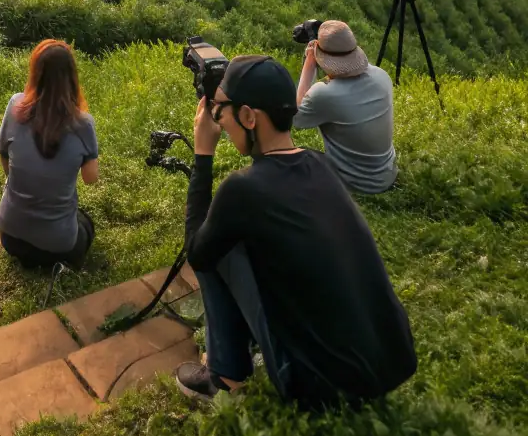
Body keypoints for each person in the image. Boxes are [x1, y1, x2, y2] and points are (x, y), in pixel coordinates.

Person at [174, 54, 416, 406]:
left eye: (220, 110)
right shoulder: (321, 164)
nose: (217, 119)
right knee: (231, 234)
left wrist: (203, 155)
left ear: (249, 117)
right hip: (391, 361)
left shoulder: (242, 190)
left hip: (319, 387)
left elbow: (196, 251)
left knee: (214, 243)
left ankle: (225, 378)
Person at [0, 40, 98, 269]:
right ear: (72, 77)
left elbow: (3, 154)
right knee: (85, 222)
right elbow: (91, 178)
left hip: (10, 237)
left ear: (35, 73)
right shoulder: (83, 124)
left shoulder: (15, 105)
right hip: (59, 247)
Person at [294, 20, 397, 194]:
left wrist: (309, 62)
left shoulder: (325, 94)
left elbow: (297, 119)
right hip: (387, 174)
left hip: (355, 183)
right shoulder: (381, 76)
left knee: (294, 157)